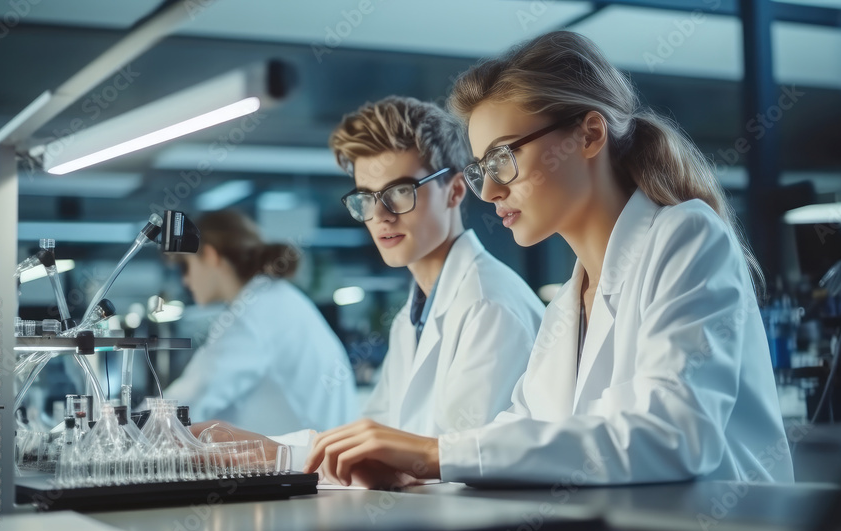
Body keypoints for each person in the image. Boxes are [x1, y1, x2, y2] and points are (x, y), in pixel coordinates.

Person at [304, 31, 794, 488]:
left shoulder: (685, 236)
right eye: (481, 169)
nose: (491, 189)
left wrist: (435, 455)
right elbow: (523, 429)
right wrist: (417, 464)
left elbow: (676, 434)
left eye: (503, 158)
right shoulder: (568, 303)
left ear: (589, 134)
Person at [251, 97, 544, 466]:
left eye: (401, 192)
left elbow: (467, 461)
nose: (381, 216)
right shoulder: (415, 312)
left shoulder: (489, 307)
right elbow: (371, 437)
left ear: (454, 190)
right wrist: (259, 449)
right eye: (366, 198)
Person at [163, 210, 358, 436]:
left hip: (306, 464)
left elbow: (191, 397)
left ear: (210, 255)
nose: (186, 280)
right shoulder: (274, 298)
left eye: (186, 266)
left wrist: (128, 428)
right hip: (316, 457)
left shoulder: (254, 315)